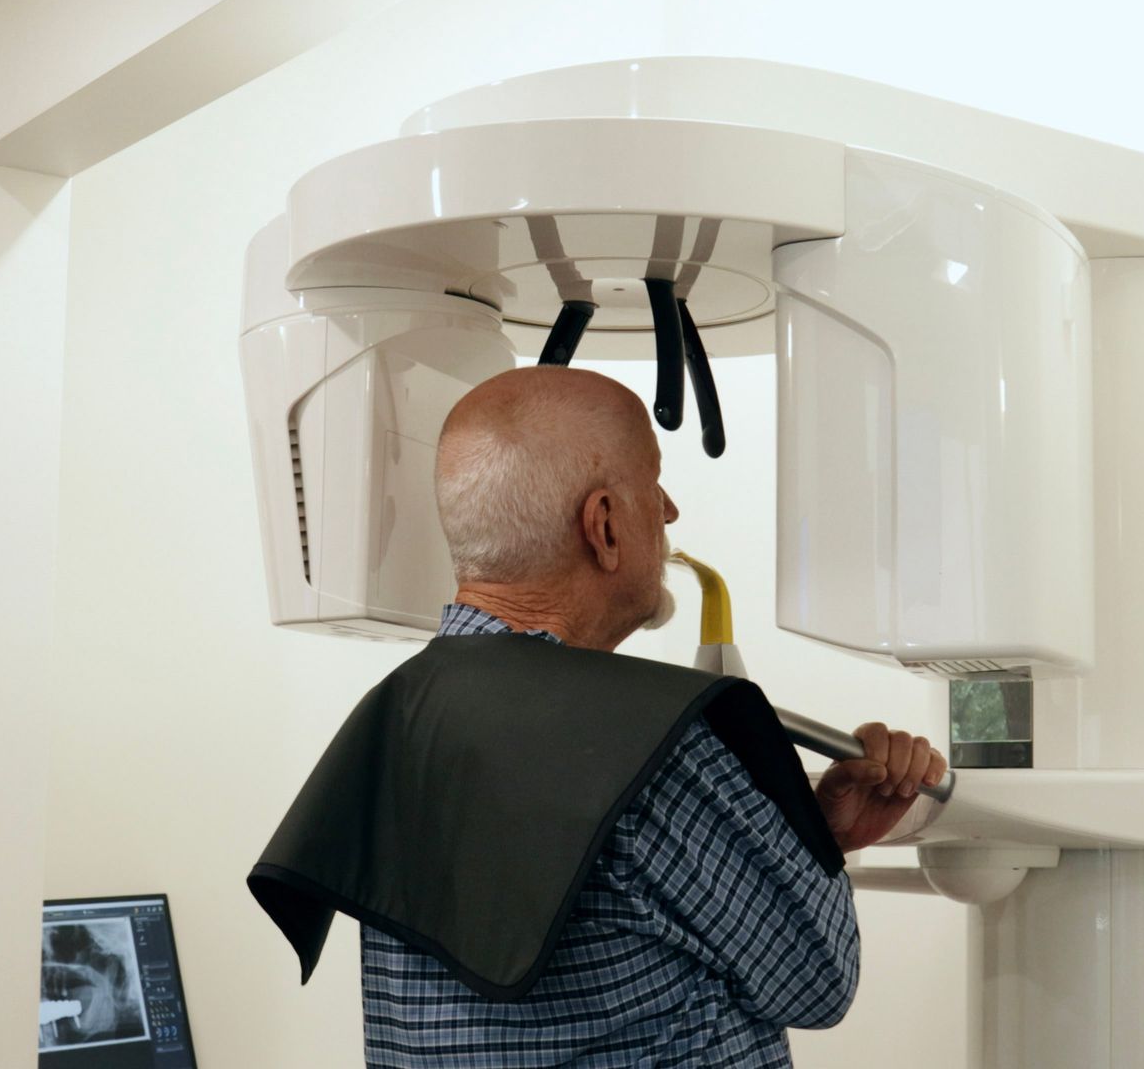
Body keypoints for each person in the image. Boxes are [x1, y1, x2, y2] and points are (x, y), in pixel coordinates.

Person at [250, 366, 947, 1068]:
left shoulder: (396, 717)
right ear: (604, 525)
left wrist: (809, 830)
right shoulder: (650, 749)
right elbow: (815, 982)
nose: (669, 511)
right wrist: (802, 847)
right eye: (653, 483)